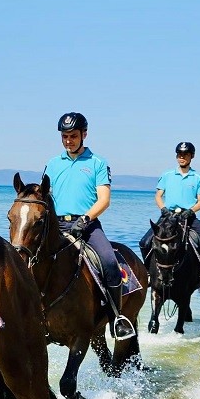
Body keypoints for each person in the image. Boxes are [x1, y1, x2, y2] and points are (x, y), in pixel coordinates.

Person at [44, 112, 135, 340]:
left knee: (109, 262)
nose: (68, 140)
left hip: (87, 224)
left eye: (73, 136)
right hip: (57, 225)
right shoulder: (52, 164)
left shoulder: (97, 163)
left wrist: (84, 220)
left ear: (84, 134)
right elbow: (45, 197)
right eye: (64, 136)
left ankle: (117, 319)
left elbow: (104, 199)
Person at [141, 141, 200, 290]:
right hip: (167, 216)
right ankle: (148, 273)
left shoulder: (198, 177)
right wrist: (163, 209)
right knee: (144, 242)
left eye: (185, 155)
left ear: (192, 156)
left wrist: (190, 211)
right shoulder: (167, 175)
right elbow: (158, 196)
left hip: (187, 217)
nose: (181, 157)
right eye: (179, 155)